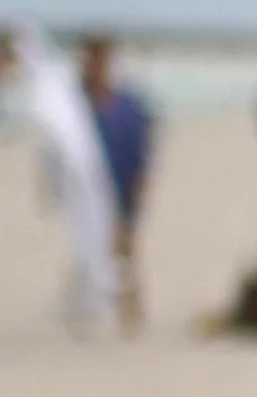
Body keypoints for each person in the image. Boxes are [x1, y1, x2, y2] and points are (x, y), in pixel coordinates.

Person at [5, 24, 119, 330]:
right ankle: (93, 299)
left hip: (81, 173)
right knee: (94, 236)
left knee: (94, 236)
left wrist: (52, 185)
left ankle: (97, 299)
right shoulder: (54, 82)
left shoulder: (48, 89)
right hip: (84, 171)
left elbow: (60, 143)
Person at [79, 36, 155, 333]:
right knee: (91, 249)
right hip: (90, 189)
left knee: (124, 249)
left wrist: (140, 182)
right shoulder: (79, 103)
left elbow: (142, 145)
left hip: (121, 184)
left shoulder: (125, 103)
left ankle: (129, 310)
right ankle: (95, 307)